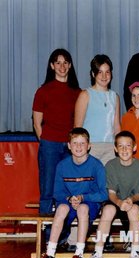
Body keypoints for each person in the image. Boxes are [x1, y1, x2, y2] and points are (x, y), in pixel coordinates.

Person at [32, 127, 107, 258]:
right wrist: (68, 198)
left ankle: (78, 256)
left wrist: (83, 197)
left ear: (89, 145)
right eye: (75, 143)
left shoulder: (96, 165)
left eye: (82, 143)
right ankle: (50, 256)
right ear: (69, 145)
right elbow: (57, 192)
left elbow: (103, 194)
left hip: (88, 203)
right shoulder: (62, 165)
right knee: (60, 209)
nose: (78, 147)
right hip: (69, 202)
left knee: (82, 209)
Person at [85, 131, 139, 258]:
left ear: (135, 147)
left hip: (133, 202)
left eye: (128, 146)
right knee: (107, 210)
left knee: (134, 210)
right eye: (121, 146)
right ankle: (97, 254)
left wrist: (131, 200)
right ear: (115, 149)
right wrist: (119, 203)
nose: (124, 150)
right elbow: (111, 193)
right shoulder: (110, 165)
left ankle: (135, 253)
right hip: (115, 201)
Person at [32, 48, 81, 215]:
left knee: (68, 189)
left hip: (71, 148)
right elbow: (37, 123)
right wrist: (46, 142)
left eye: (65, 62)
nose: (62, 66)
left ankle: (65, 234)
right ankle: (47, 233)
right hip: (49, 146)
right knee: (47, 189)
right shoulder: (43, 91)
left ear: (70, 66)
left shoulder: (78, 92)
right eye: (58, 62)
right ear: (52, 66)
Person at [75, 54, 121, 165]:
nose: (104, 76)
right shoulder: (85, 95)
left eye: (107, 72)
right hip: (90, 147)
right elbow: (77, 126)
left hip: (110, 148)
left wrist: (120, 146)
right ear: (93, 74)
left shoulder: (115, 96)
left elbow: (117, 126)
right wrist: (80, 147)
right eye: (100, 72)